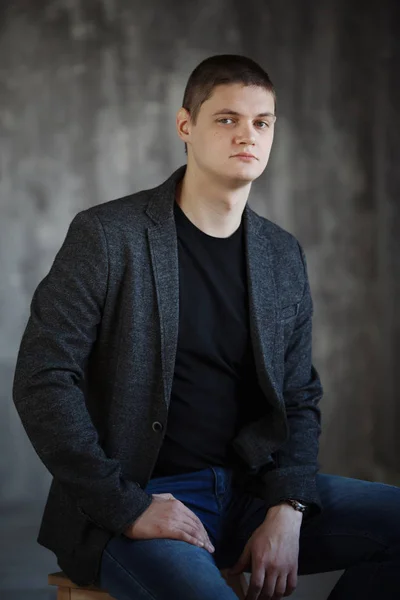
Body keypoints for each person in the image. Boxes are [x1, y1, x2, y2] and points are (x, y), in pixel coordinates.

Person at [13, 54, 400, 600]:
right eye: (227, 119)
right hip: (141, 499)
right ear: (185, 126)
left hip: (249, 495)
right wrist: (127, 506)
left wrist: (287, 508)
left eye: (262, 122)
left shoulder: (281, 254)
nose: (248, 135)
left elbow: (299, 395)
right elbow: (41, 378)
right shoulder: (107, 235)